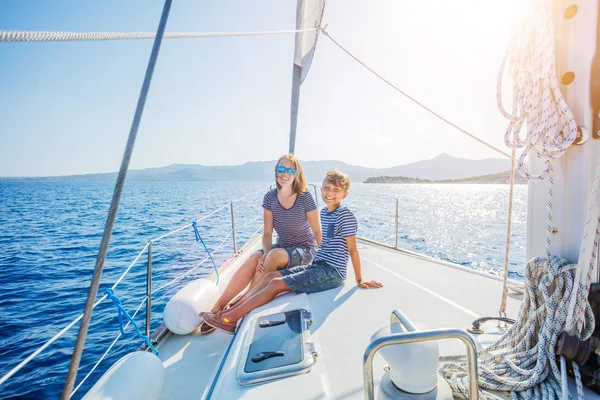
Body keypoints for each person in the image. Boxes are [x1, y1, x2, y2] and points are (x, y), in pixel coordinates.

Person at [203, 169, 383, 334]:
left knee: (275, 285)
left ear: (345, 194)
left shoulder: (345, 215)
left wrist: (359, 279)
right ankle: (228, 313)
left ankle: (230, 320)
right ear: (320, 190)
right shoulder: (325, 213)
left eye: (336, 190)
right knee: (269, 277)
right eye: (327, 188)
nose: (330, 193)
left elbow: (352, 248)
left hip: (331, 273)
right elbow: (326, 243)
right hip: (318, 266)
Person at [200, 154, 322, 332]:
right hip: (282, 246)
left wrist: (324, 256)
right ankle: (218, 307)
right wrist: (263, 255)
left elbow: (317, 231)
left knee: (272, 256)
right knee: (254, 259)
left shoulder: (305, 198)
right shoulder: (270, 198)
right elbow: (267, 233)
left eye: (290, 170)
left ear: (297, 174)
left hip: (304, 249)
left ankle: (237, 308)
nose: (285, 174)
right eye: (281, 169)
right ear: (276, 171)